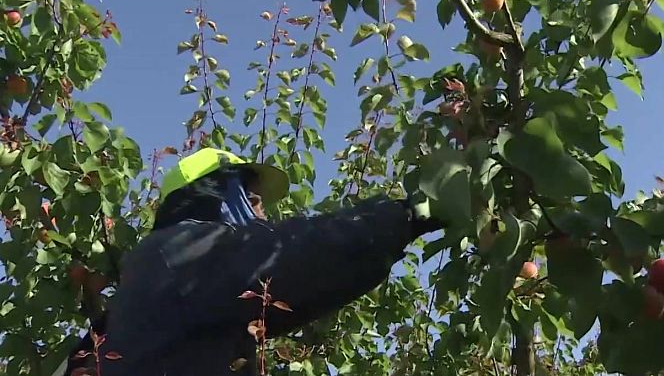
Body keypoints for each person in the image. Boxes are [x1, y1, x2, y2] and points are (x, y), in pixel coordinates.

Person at [61, 147, 443, 376]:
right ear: (216, 194)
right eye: (253, 200)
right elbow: (298, 255)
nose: (262, 215)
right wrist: (404, 216)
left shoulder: (161, 270)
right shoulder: (182, 251)